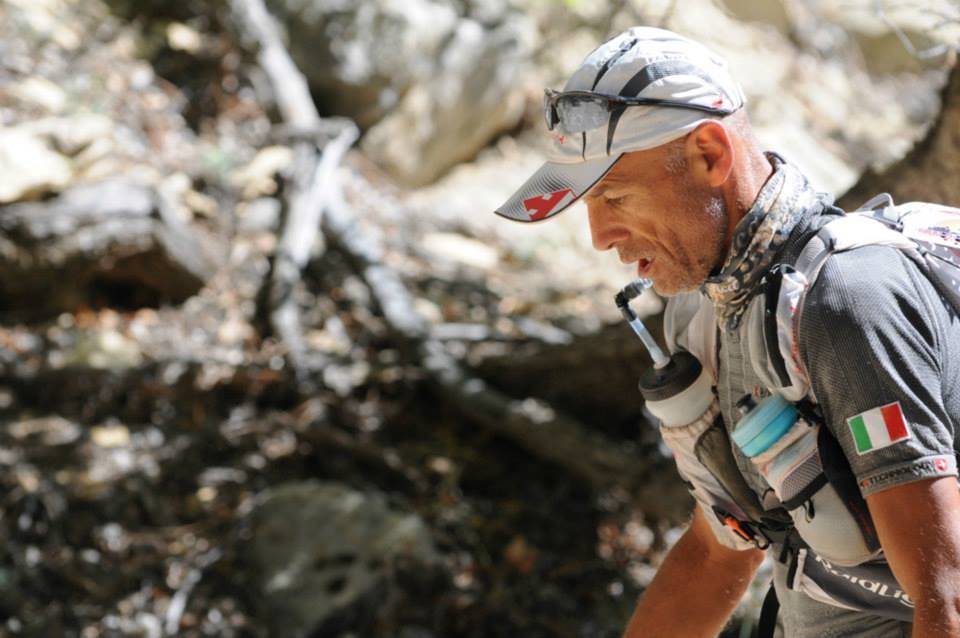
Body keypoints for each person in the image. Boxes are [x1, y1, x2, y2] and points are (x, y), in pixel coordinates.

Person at [494, 26, 960, 638]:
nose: (599, 237)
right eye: (588, 206)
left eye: (615, 196)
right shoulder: (706, 310)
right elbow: (719, 547)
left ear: (710, 154)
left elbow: (947, 598)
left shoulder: (847, 302)